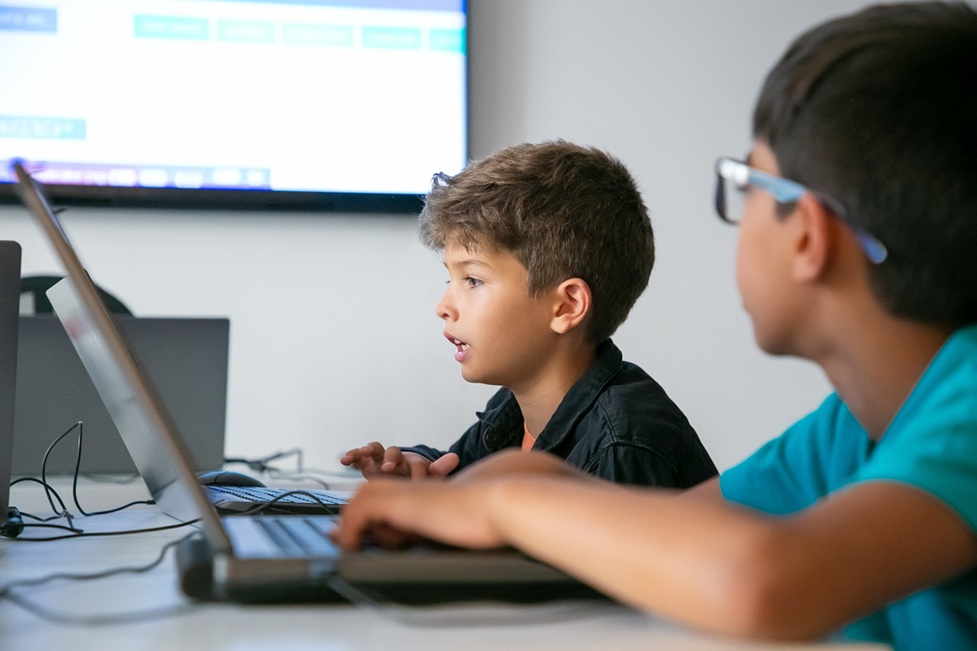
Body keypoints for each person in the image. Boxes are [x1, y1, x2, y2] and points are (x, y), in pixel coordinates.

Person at [333, 3, 977, 648]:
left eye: (747, 184)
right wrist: (483, 491)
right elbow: (685, 529)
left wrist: (500, 503)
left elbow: (762, 579)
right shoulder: (850, 430)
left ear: (807, 234)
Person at [341, 141, 716, 488]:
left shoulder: (622, 445)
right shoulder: (516, 406)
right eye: (449, 278)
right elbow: (461, 474)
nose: (444, 307)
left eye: (472, 280)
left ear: (566, 306)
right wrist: (418, 470)